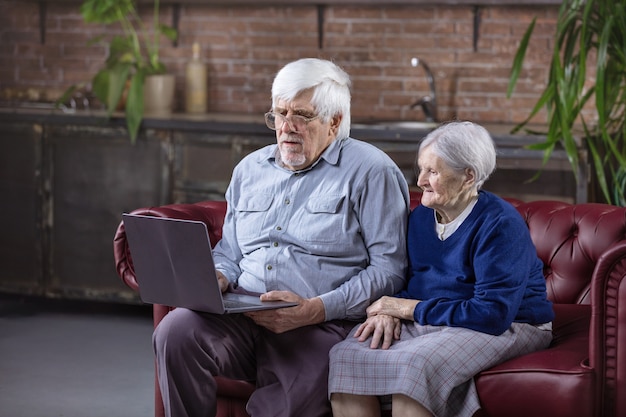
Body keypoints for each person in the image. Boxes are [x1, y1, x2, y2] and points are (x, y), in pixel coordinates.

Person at [152, 58, 411, 417]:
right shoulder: (249, 169)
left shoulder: (372, 171)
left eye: (302, 115)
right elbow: (230, 250)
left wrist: (315, 309)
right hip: (242, 313)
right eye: (279, 114)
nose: (286, 127)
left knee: (282, 408)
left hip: (319, 324)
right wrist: (218, 275)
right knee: (175, 332)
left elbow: (389, 270)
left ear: (334, 121)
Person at [328, 121, 555, 417]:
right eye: (421, 169)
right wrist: (387, 310)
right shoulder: (422, 217)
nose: (420, 180)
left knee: (415, 362)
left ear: (468, 176)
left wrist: (405, 308)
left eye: (433, 172)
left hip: (513, 323)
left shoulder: (499, 225)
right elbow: (414, 283)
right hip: (445, 316)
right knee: (346, 354)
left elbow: (492, 314)